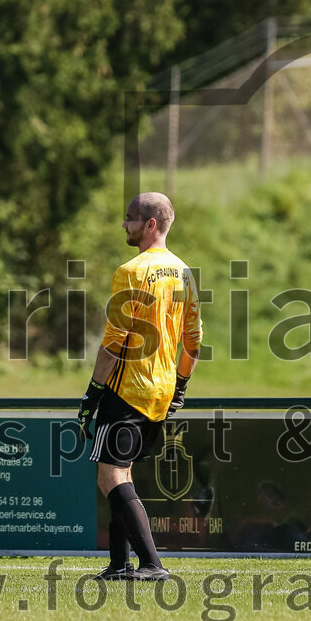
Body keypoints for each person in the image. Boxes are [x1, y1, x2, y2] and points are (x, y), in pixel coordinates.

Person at [76, 192, 202, 581]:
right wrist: (179, 386)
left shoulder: (130, 271)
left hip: (128, 387)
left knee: (109, 476)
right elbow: (194, 340)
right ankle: (119, 564)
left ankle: (152, 564)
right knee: (123, 472)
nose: (124, 225)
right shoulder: (184, 272)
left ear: (150, 224)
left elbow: (114, 341)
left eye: (130, 218)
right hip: (161, 391)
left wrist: (93, 392)